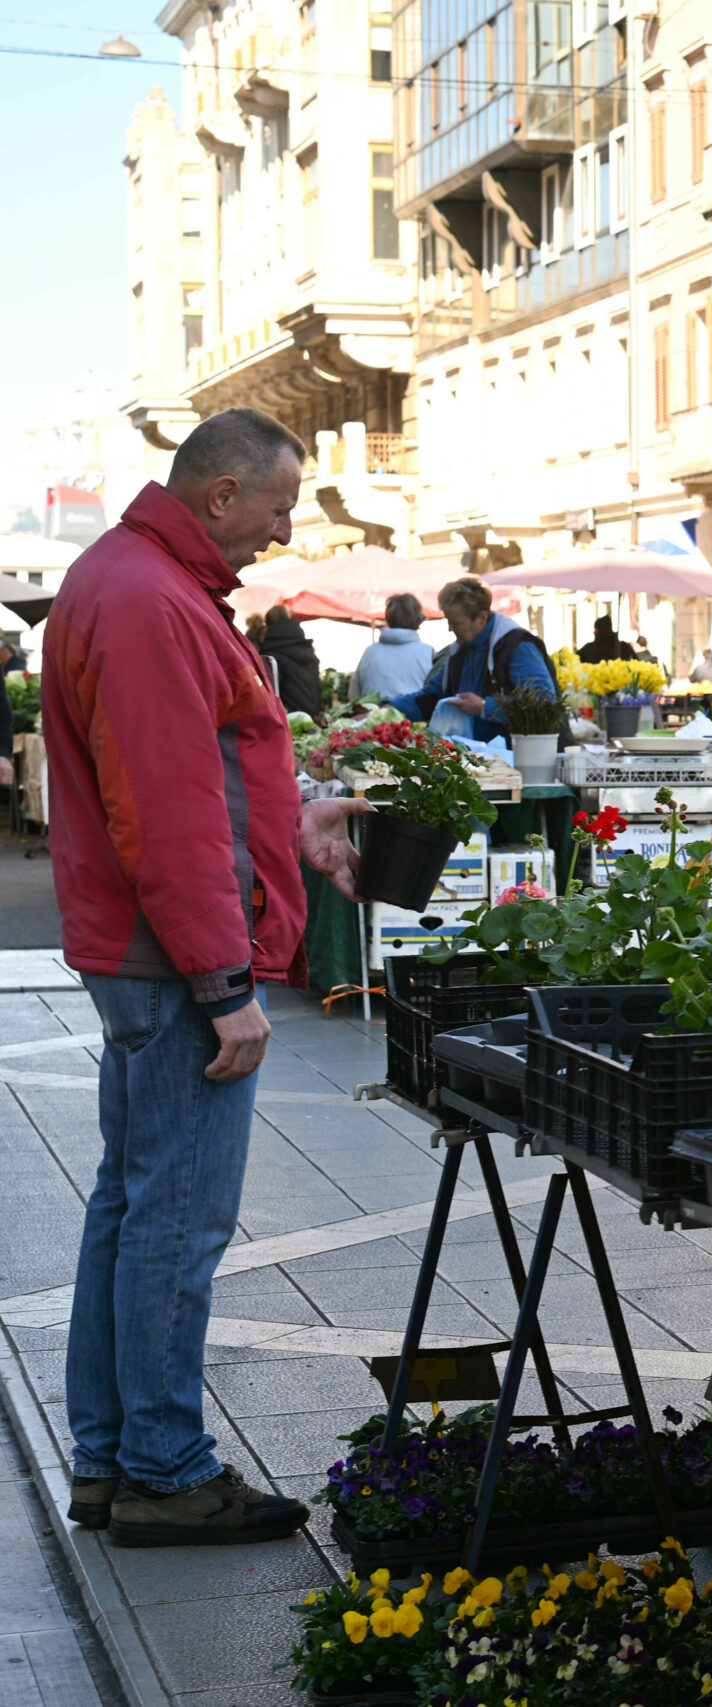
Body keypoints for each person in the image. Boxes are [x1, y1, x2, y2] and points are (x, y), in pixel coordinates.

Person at [45, 407, 367, 1546]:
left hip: (145, 947)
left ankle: (112, 1461)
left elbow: (201, 783)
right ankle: (166, 1471)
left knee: (133, 1208)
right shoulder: (147, 599)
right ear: (220, 494)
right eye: (277, 508)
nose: (281, 532)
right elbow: (168, 813)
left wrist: (296, 820)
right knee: (176, 1220)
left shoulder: (139, 582)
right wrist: (226, 984)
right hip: (168, 958)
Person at [391, 578, 558, 741]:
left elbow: (544, 703)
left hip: (523, 756)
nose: (450, 629)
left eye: (456, 623)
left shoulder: (518, 646)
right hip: (483, 757)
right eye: (449, 622)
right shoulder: (460, 651)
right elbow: (432, 696)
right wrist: (389, 709)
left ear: (482, 618)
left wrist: (486, 708)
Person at [353, 592, 434, 703]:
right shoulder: (428, 653)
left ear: (388, 616)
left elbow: (354, 695)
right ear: (418, 618)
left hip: (373, 718)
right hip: (415, 719)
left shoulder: (370, 652)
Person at [257, 604, 325, 718]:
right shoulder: (307, 649)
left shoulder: (270, 654)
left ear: (268, 625)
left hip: (290, 720)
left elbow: (270, 694)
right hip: (313, 717)